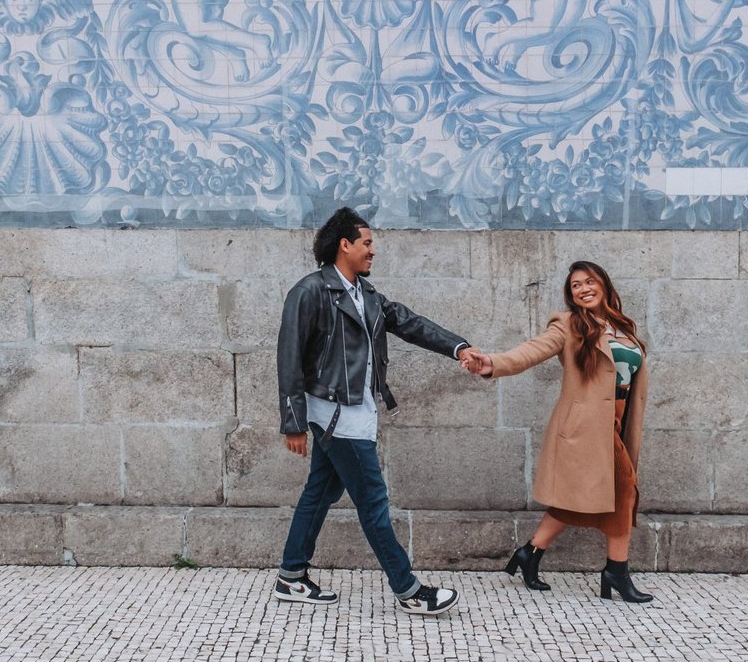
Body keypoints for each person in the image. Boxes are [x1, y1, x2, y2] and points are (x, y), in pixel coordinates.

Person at [275, 207, 489, 615]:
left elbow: (410, 323)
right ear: (345, 245)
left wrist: (458, 346)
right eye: (367, 243)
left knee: (320, 492)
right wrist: (294, 421)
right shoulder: (310, 291)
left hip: (357, 410)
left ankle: (291, 576)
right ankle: (409, 590)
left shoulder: (367, 295)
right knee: (373, 501)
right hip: (337, 416)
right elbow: (289, 359)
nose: (373, 251)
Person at [465, 260, 653, 603]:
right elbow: (532, 351)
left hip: (618, 422)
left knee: (588, 502)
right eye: (576, 286)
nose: (583, 289)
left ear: (604, 284)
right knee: (624, 492)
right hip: (586, 428)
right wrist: (493, 362)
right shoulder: (568, 325)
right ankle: (616, 572)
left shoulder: (624, 328)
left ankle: (530, 552)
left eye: (589, 281)